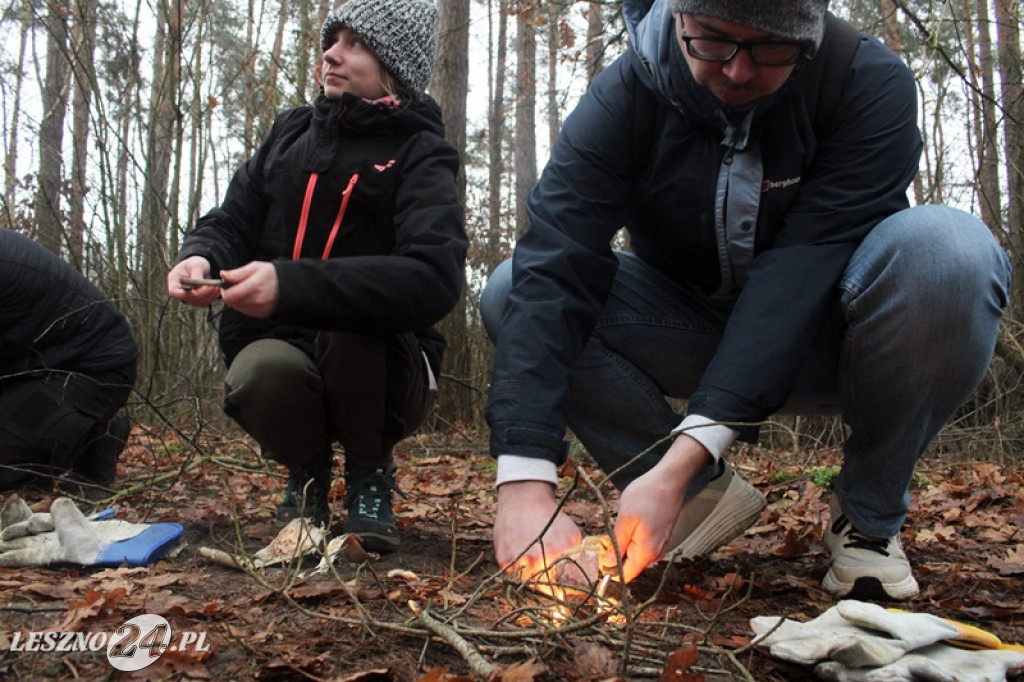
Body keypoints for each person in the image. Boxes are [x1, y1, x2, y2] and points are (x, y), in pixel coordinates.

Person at [480, 0, 1010, 599]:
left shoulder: (864, 83)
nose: (736, 71)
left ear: (807, 38)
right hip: (690, 330)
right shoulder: (626, 95)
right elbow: (556, 261)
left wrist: (681, 456)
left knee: (949, 251)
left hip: (841, 338)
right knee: (509, 289)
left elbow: (798, 274)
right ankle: (698, 495)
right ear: (678, 18)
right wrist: (524, 475)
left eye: (770, 48)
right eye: (711, 40)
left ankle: (868, 519)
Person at [166, 0, 466, 554]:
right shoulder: (290, 133)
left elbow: (434, 277)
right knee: (262, 371)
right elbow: (232, 218)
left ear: (391, 67)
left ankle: (369, 475)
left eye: (355, 44)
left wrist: (290, 284)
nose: (331, 53)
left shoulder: (421, 152)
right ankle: (305, 475)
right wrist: (200, 256)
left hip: (389, 366)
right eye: (333, 40)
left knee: (352, 324)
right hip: (281, 344)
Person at [0, 228, 137, 490]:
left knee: (6, 470)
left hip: (92, 368)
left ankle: (95, 437)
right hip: (37, 363)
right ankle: (87, 428)